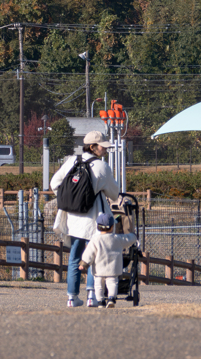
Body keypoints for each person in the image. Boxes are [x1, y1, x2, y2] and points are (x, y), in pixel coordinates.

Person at [50, 130, 120, 307]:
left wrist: (72, 197)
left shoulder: (71, 161)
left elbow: (54, 183)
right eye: (102, 147)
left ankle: (72, 297)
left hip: (73, 216)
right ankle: (92, 295)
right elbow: (114, 193)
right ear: (93, 147)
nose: (105, 150)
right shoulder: (102, 167)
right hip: (93, 217)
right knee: (94, 256)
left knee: (75, 256)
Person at [78, 211, 137, 308]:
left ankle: (100, 301)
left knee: (98, 285)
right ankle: (111, 298)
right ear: (112, 226)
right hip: (113, 268)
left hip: (99, 269)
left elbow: (89, 253)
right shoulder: (117, 238)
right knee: (112, 283)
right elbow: (128, 239)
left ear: (97, 226)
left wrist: (83, 263)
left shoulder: (95, 240)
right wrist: (134, 236)